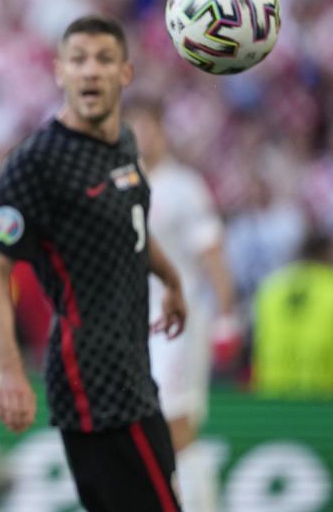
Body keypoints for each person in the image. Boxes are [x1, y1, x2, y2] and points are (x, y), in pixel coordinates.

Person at [0, 15, 187, 512]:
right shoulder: (37, 163)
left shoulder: (124, 143)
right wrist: (8, 371)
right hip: (92, 380)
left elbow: (131, 223)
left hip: (135, 370)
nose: (91, 70)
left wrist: (171, 279)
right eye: (79, 60)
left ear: (125, 73)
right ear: (59, 72)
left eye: (104, 59)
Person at [128, 101, 239, 512]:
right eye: (134, 128)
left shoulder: (184, 187)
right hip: (133, 325)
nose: (142, 137)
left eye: (148, 128)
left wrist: (226, 317)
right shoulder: (119, 185)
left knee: (174, 423)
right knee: (139, 427)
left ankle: (204, 506)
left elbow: (212, 253)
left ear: (162, 132)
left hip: (179, 323)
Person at [252, 232, 333, 399]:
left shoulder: (271, 287)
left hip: (273, 392)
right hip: (328, 395)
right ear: (327, 254)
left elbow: (256, 342)